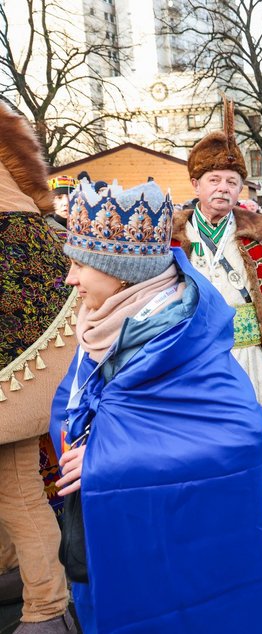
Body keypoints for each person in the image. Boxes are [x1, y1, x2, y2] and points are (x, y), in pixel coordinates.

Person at [52, 179, 262, 633]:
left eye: (80, 265)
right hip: (114, 530)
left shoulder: (181, 332)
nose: (70, 279)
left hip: (178, 553)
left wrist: (110, 459)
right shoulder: (101, 320)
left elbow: (242, 438)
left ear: (120, 271)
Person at [171, 98, 262, 586]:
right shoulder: (171, 239)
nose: (223, 189)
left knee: (258, 448)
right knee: (200, 453)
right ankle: (208, 546)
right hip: (188, 363)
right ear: (196, 185)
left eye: (232, 182)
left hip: (251, 358)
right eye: (214, 181)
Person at [0, 99, 74, 634]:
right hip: (25, 382)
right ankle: (15, 573)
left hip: (15, 382)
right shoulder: (38, 228)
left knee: (18, 486)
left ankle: (47, 604)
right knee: (14, 484)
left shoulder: (17, 237)